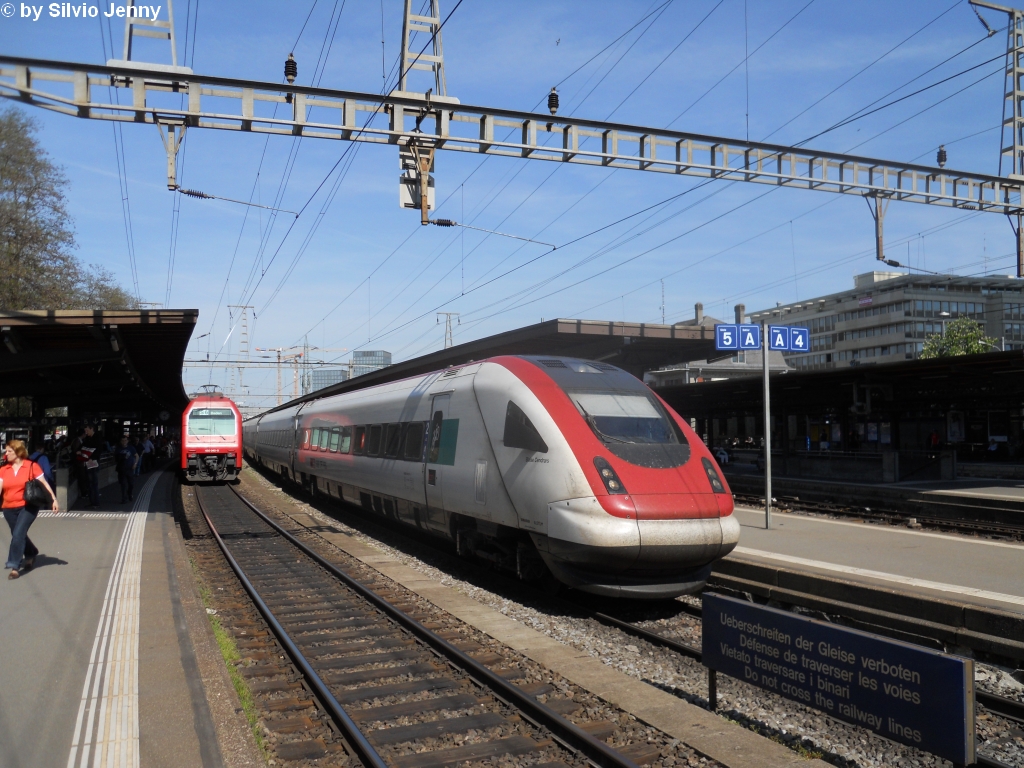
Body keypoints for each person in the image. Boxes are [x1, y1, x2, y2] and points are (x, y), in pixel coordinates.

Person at [1, 439, 59, 580]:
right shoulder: (3, 469)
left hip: (28, 506)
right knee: (18, 534)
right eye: (6, 450)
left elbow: (44, 484)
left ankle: (14, 566)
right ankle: (31, 552)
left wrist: (54, 499)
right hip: (8, 507)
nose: (6, 453)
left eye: (9, 451)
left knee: (18, 534)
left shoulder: (31, 466)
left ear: (18, 452)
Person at [74, 426, 101, 508]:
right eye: (85, 430)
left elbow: (99, 450)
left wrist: (91, 458)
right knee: (90, 483)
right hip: (89, 462)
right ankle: (93, 501)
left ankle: (95, 502)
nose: (86, 432)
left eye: (87, 430)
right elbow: (80, 447)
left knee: (93, 483)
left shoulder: (96, 438)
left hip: (93, 461)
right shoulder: (88, 439)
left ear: (92, 429)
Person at [115, 435, 138, 503]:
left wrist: (135, 464)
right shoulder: (118, 449)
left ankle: (129, 493)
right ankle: (124, 498)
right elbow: (116, 459)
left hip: (130, 468)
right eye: (122, 440)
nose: (124, 442)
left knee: (131, 484)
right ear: (120, 441)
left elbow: (137, 456)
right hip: (122, 469)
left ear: (127, 441)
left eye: (125, 440)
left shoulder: (131, 448)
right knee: (123, 484)